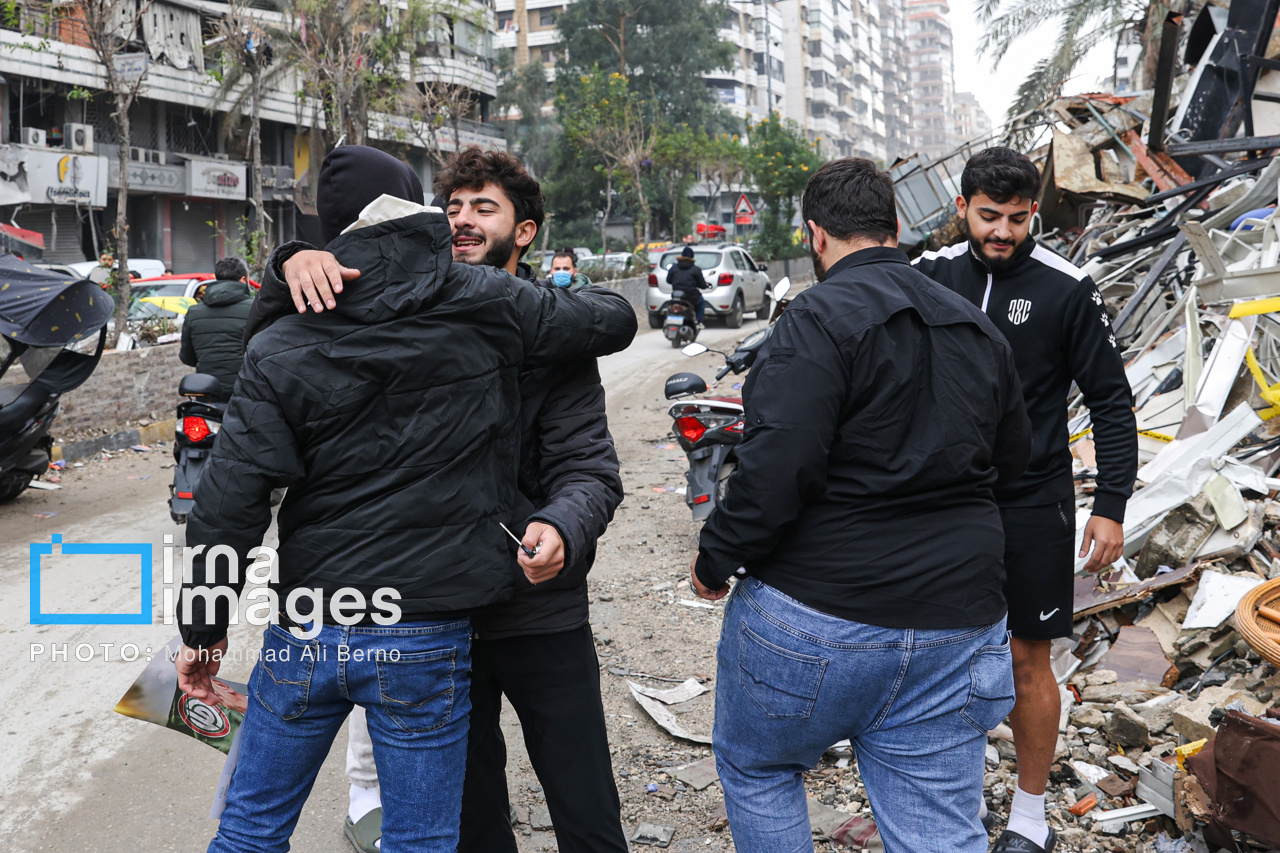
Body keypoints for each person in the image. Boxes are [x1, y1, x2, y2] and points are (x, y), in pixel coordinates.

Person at [173, 144, 636, 853]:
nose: (465, 222)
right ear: (420, 214)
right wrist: (285, 265)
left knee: (250, 828)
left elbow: (227, 506)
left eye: (486, 208)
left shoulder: (296, 334)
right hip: (428, 622)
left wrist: (203, 629)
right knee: (434, 836)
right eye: (453, 208)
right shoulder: (480, 305)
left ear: (527, 229)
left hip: (414, 616)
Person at [689, 157, 1033, 853]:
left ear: (816, 236)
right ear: (897, 228)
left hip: (819, 616)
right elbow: (1014, 469)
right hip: (956, 627)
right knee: (939, 830)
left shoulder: (814, 319)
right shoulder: (977, 329)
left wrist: (715, 558)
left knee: (760, 768)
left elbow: (775, 469)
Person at [913, 146, 1137, 853]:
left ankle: (1029, 818)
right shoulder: (928, 277)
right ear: (961, 210)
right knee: (933, 655)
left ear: (1034, 210)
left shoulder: (1068, 287)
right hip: (940, 503)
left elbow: (1111, 402)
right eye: (988, 217)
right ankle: (946, 803)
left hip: (1032, 499)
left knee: (1025, 658)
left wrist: (1111, 503)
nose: (1003, 232)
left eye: (1017, 217)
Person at [178, 257, 254, 401]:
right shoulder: (255, 309)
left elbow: (187, 357)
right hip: (247, 392)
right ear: (243, 280)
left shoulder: (194, 312)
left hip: (207, 394)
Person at [665, 245, 707, 323]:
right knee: (701, 302)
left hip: (676, 296)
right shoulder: (696, 269)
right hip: (691, 297)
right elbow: (702, 285)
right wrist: (704, 285)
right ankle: (698, 321)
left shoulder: (673, 268)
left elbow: (668, 280)